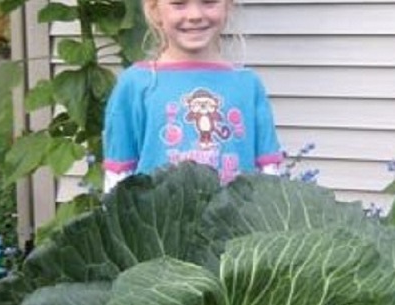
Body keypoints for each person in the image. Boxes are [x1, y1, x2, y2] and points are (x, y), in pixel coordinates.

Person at [102, 0, 284, 192]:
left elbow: (269, 172)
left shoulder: (248, 85)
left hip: (235, 220)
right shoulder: (135, 84)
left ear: (228, 6)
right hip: (162, 221)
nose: (195, 15)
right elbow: (118, 175)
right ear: (155, 10)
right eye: (179, 3)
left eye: (209, 2)